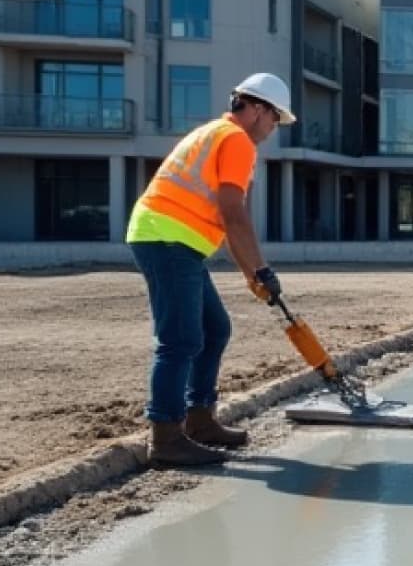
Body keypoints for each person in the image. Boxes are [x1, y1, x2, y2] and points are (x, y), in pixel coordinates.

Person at [126, 72, 295, 466]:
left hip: (173, 240)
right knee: (180, 340)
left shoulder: (215, 132)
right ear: (255, 109)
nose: (273, 128)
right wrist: (261, 271)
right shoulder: (236, 140)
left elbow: (227, 216)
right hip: (166, 238)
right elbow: (233, 213)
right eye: (274, 119)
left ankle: (200, 419)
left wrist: (251, 273)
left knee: (215, 329)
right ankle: (166, 437)